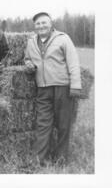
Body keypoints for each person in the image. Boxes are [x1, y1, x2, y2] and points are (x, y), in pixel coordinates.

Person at [24, 12, 82, 165]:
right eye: (38, 24)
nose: (41, 26)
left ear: (51, 24)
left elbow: (73, 62)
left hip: (62, 86)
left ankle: (61, 159)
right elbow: (27, 58)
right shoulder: (31, 41)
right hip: (42, 88)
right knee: (43, 124)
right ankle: (38, 159)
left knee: (63, 124)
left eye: (44, 23)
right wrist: (28, 64)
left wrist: (75, 86)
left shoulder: (63, 38)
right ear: (35, 26)